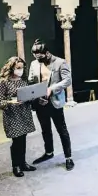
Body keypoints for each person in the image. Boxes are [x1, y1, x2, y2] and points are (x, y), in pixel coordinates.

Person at [28, 39, 74, 171]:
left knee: (62, 130)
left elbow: (67, 80)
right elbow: (32, 81)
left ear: (47, 53)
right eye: (36, 57)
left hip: (55, 102)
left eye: (41, 57)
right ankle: (49, 153)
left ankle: (68, 157)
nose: (38, 60)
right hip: (40, 102)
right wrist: (35, 96)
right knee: (45, 130)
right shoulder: (34, 64)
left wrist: (51, 89)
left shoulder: (60, 62)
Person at [0, 56, 37, 177]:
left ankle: (23, 163)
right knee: (16, 141)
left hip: (24, 113)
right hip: (12, 115)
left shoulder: (23, 81)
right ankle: (16, 166)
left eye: (22, 68)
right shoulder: (2, 82)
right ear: (11, 67)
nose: (21, 70)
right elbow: (0, 101)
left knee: (23, 139)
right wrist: (10, 102)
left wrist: (31, 97)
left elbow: (28, 96)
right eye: (18, 68)